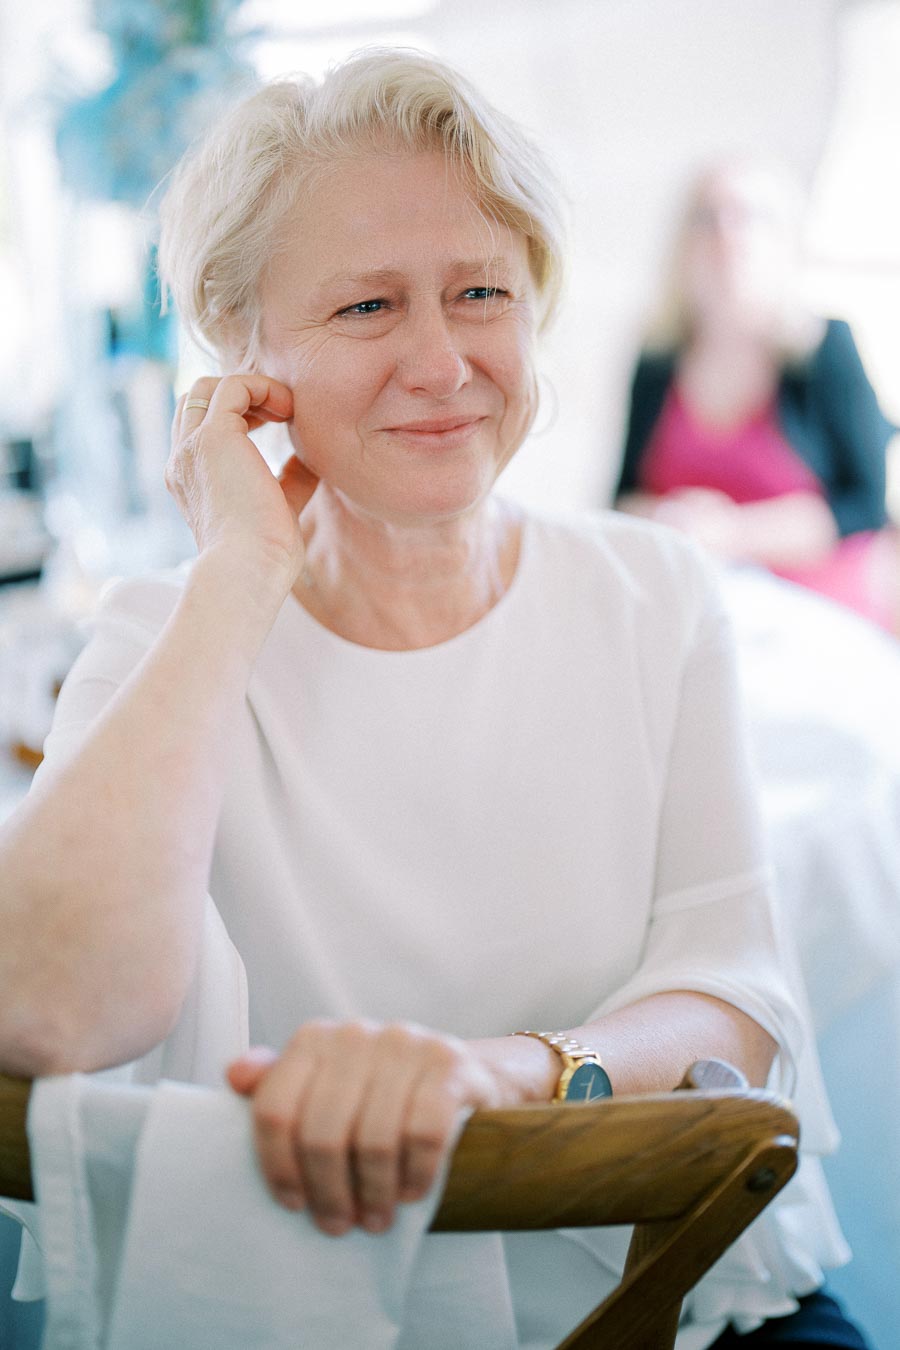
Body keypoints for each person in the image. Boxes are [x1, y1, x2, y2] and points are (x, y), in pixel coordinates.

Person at [0, 51, 870, 1349]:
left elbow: (733, 1002)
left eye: (481, 293)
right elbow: (49, 1007)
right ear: (243, 348)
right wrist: (237, 574)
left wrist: (499, 1074)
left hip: (676, 1290)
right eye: (366, 307)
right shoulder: (162, 633)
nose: (443, 361)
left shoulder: (656, 593)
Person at [615, 156, 897, 631]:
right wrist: (671, 517)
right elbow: (621, 497)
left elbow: (863, 507)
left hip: (812, 613)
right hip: (691, 605)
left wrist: (733, 534)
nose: (728, 235)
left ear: (784, 239)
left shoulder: (825, 350)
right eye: (709, 218)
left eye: (749, 216)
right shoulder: (658, 360)